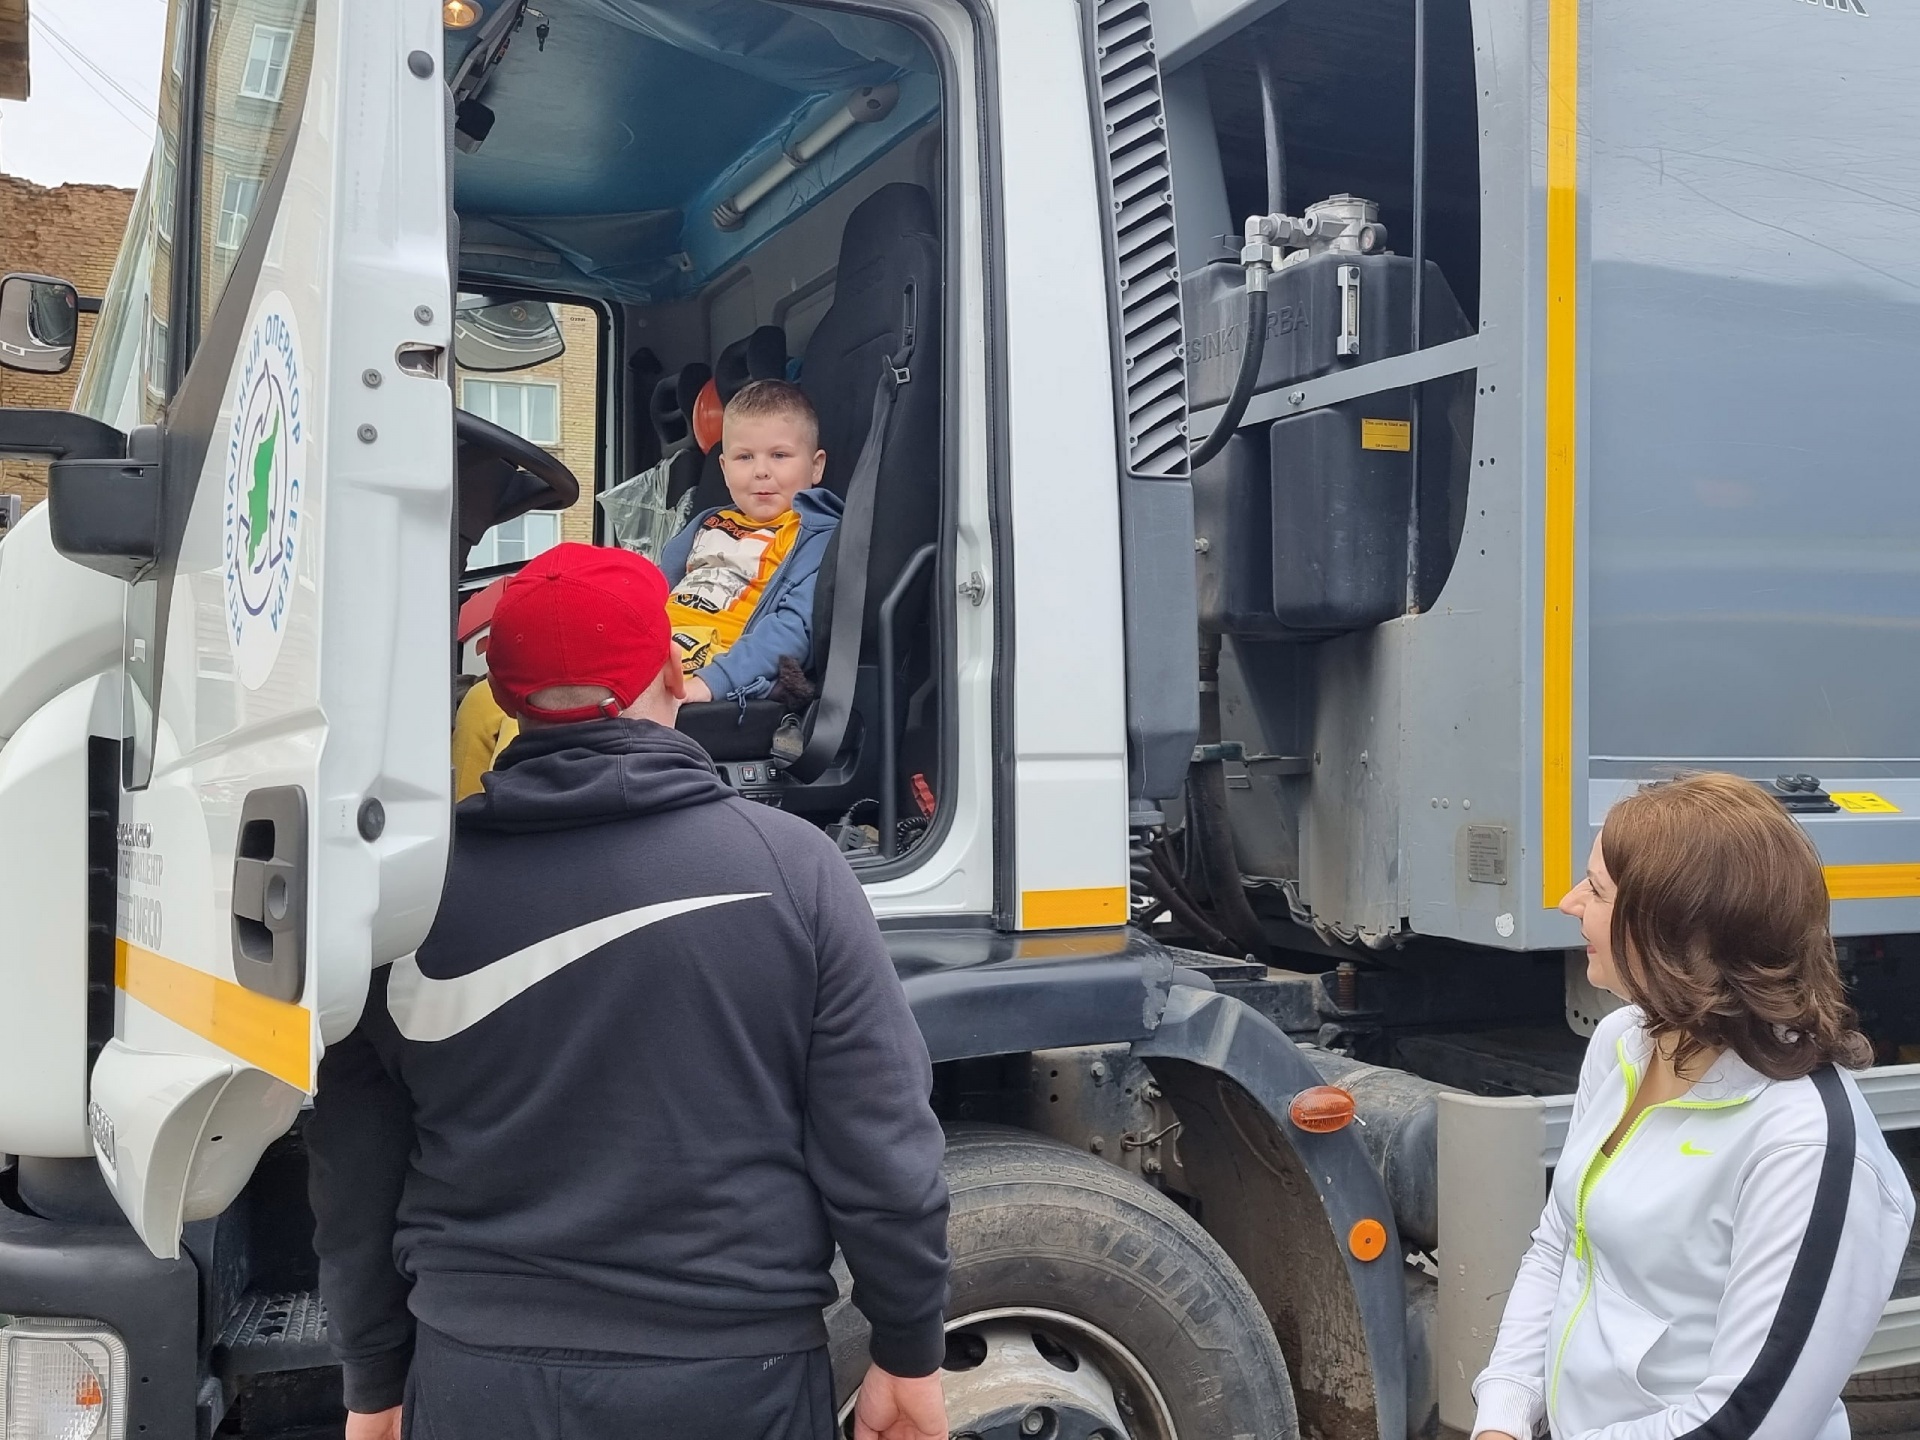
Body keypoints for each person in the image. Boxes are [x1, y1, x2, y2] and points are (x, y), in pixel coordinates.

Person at [308, 544, 951, 1440]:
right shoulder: (792, 869)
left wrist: (374, 1379)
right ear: (674, 675)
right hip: (732, 1377)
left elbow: (355, 1164)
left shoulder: (405, 897)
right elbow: (880, 1148)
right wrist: (909, 1352)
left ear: (499, 698)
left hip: (474, 1374)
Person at [1472, 773, 1914, 1440]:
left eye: (1595, 889)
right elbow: (1563, 1245)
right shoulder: (1624, 1043)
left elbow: (1747, 1423)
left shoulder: (1806, 1146)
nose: (1569, 903)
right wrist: (1503, 1414)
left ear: (1678, 933)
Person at [660, 378, 842, 705]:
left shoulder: (816, 539)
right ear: (724, 468)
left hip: (725, 673)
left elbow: (793, 629)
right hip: (656, 655)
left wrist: (712, 682)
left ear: (816, 467)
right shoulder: (707, 524)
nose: (761, 471)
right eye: (744, 457)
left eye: (779, 455)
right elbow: (655, 587)